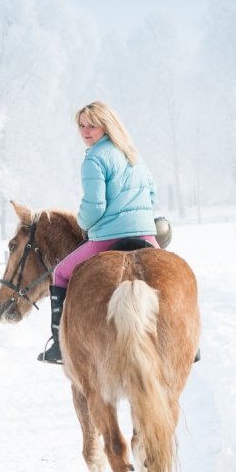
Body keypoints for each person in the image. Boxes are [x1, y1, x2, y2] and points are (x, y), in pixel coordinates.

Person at [39, 101, 160, 364]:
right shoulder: (133, 154)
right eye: (81, 125)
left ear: (106, 124)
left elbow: (95, 206)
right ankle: (190, 343)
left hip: (109, 238)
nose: (85, 131)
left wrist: (83, 223)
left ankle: (58, 345)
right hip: (147, 235)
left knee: (60, 273)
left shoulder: (94, 158)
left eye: (91, 125)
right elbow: (152, 194)